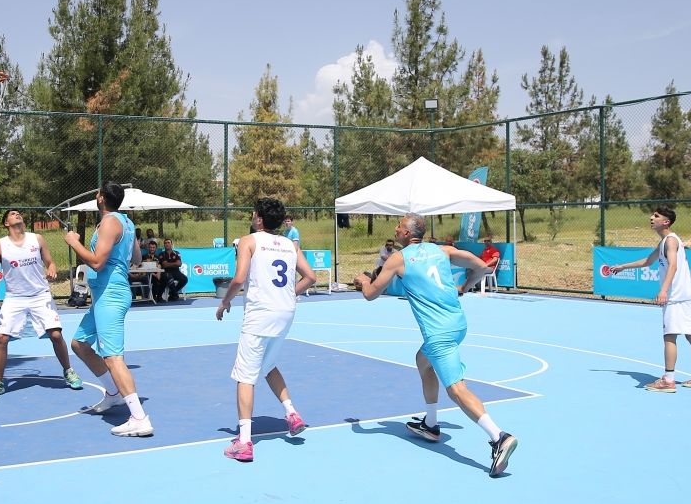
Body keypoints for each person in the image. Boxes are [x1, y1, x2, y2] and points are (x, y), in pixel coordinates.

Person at [354, 213, 519, 477]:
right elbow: (482, 267)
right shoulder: (442, 250)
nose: (395, 229)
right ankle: (430, 424)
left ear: (407, 233)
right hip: (458, 324)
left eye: (399, 226)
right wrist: (465, 286)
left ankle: (498, 436)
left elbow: (371, 294)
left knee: (456, 389)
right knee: (423, 361)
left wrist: (364, 282)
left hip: (438, 333)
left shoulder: (398, 259)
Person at [215, 197, 317, 462]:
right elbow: (311, 277)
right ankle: (292, 413)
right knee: (268, 365)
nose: (252, 216)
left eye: (254, 213)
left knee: (245, 375)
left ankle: (244, 442)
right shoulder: (290, 244)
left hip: (260, 315)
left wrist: (225, 302)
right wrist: (288, 294)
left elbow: (239, 278)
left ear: (259, 219)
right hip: (285, 313)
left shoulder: (248, 241)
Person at [65, 182, 153, 436]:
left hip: (110, 296)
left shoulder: (110, 223)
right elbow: (137, 259)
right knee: (80, 344)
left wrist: (74, 242)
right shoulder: (126, 223)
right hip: (106, 295)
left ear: (101, 198)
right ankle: (113, 393)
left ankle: (139, 417)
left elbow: (97, 262)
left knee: (113, 357)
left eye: (97, 193)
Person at [608, 205, 691, 392]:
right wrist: (623, 267)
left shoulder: (670, 241)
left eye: (656, 216)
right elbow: (648, 261)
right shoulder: (665, 242)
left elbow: (673, 266)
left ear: (666, 222)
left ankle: (668, 380)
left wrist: (664, 290)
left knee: (669, 336)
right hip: (685, 295)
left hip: (676, 296)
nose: (651, 217)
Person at [0, 209, 84, 399]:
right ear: (6, 223)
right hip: (14, 297)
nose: (17, 214)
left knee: (56, 334)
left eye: (18, 213)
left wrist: (52, 269)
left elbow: (50, 263)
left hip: (40, 295)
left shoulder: (37, 239)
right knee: (1, 338)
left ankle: (68, 371)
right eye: (12, 213)